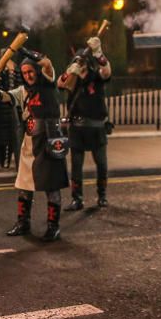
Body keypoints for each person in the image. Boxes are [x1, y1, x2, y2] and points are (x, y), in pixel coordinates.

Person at [0, 49, 68, 242]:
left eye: (31, 72)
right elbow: (6, 97)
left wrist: (26, 51)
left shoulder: (48, 82)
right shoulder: (23, 91)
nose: (28, 76)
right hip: (29, 143)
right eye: (25, 72)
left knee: (51, 187)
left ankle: (54, 227)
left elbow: (47, 63)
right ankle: (23, 223)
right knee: (24, 186)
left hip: (47, 142)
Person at [60, 36, 113, 210]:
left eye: (82, 62)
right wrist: (69, 72)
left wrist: (99, 53)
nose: (80, 64)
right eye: (77, 61)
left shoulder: (95, 76)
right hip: (77, 128)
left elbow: (107, 71)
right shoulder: (72, 79)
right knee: (76, 166)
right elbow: (59, 84)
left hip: (96, 127)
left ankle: (102, 195)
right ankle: (77, 199)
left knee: (102, 164)